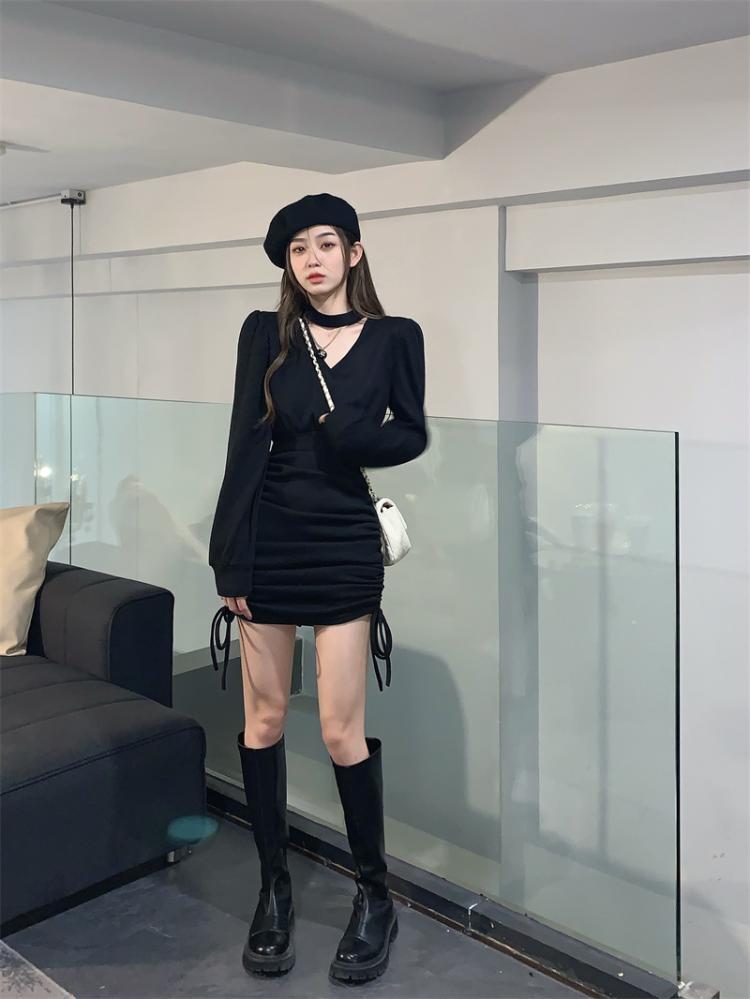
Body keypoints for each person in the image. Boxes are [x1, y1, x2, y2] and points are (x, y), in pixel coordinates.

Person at [208, 192, 429, 983]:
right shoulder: (264, 334)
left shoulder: (395, 337)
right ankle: (274, 890)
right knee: (263, 720)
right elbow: (242, 444)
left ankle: (376, 895)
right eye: (299, 248)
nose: (312, 259)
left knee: (340, 730)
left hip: (341, 546)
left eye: (326, 244)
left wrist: (355, 434)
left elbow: (412, 431)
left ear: (354, 252)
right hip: (269, 541)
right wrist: (229, 560)